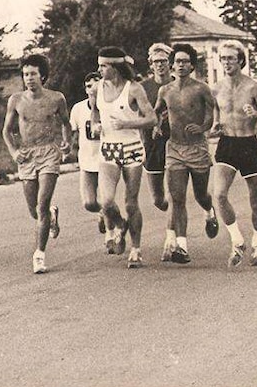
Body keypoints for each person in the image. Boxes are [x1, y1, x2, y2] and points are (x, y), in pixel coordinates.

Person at [1, 53, 72, 274]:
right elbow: (6, 131)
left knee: (40, 205)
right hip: (27, 154)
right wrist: (14, 151)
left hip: (49, 153)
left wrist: (67, 143)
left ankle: (39, 254)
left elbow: (66, 124)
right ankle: (51, 214)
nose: (29, 78)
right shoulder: (16, 100)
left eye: (33, 74)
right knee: (34, 210)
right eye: (25, 75)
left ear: (43, 76)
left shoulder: (56, 98)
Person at [211, 40, 257, 268]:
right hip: (226, 144)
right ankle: (237, 240)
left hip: (249, 144)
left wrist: (256, 113)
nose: (226, 62)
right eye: (223, 58)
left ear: (240, 60)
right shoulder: (216, 88)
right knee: (218, 195)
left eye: (230, 58)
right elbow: (215, 116)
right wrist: (215, 126)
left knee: (255, 202)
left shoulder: (253, 87)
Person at [91, 46, 156, 269]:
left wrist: (128, 123)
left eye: (103, 66)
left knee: (130, 202)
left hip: (132, 148)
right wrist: (96, 126)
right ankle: (120, 226)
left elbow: (152, 119)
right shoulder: (98, 88)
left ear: (116, 67)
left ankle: (136, 250)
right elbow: (95, 112)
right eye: (99, 65)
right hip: (108, 148)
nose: (99, 70)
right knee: (106, 201)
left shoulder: (134, 89)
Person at [154, 43, 219, 264]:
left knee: (201, 195)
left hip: (197, 148)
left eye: (185, 62)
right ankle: (181, 246)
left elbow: (211, 114)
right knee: (177, 198)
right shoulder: (165, 90)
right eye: (178, 61)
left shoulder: (201, 88)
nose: (181, 65)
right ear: (172, 65)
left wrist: (203, 128)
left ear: (192, 65)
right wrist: (156, 126)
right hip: (174, 148)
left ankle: (209, 211)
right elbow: (156, 112)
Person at [69, 72, 106, 238]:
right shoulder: (78, 109)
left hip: (107, 160)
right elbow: (74, 134)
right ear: (86, 90)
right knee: (89, 203)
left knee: (108, 200)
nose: (93, 88)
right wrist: (70, 149)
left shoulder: (110, 106)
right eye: (89, 85)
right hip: (87, 161)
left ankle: (111, 235)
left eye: (97, 83)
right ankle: (104, 213)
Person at [140, 43, 172, 214]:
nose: (160, 65)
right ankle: (172, 211)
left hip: (175, 142)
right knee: (158, 200)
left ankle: (174, 231)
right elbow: (138, 117)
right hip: (151, 143)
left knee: (174, 194)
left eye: (163, 61)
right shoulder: (143, 88)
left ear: (170, 63)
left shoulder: (178, 84)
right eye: (156, 61)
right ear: (151, 64)